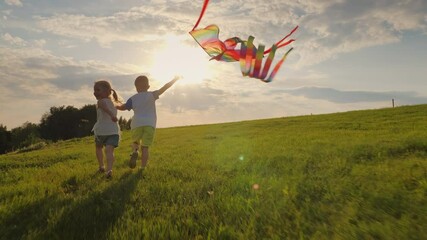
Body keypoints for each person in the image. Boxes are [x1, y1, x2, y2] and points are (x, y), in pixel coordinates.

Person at [117, 75, 180, 170]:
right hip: (149, 124)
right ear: (148, 86)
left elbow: (123, 107)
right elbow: (164, 88)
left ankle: (135, 151)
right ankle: (142, 167)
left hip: (136, 124)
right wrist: (175, 79)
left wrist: (115, 104)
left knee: (135, 142)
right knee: (145, 147)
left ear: (136, 87)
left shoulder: (132, 98)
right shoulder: (152, 95)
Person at [92, 80, 121, 179]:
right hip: (113, 131)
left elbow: (105, 108)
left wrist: (112, 115)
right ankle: (109, 170)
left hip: (102, 131)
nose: (95, 92)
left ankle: (102, 167)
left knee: (99, 148)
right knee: (109, 150)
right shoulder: (114, 103)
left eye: (98, 90)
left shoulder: (100, 101)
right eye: (94, 90)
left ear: (107, 91)